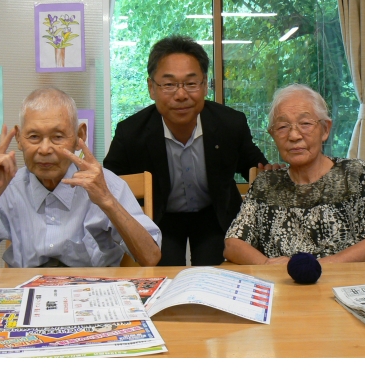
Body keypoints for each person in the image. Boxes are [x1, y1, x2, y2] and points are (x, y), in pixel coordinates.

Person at [0, 87, 162, 268]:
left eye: (57, 137)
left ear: (79, 136)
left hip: (93, 291)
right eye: (34, 137)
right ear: (19, 138)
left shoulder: (105, 184)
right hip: (26, 293)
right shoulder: (8, 188)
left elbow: (150, 257)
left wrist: (106, 200)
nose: (44, 149)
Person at [104, 35, 269, 266]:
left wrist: (272, 172)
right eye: (169, 84)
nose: (181, 95)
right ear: (152, 88)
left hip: (214, 214)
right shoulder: (131, 133)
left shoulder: (230, 124)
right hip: (161, 216)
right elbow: (110, 183)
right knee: (163, 271)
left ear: (205, 85)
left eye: (191, 83)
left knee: (214, 273)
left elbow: (253, 164)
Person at [224, 84, 365, 265]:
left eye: (305, 124)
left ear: (325, 129)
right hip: (283, 281)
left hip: (347, 279)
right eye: (282, 126)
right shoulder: (266, 184)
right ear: (272, 135)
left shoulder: (356, 174)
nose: (294, 135)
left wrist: (316, 267)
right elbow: (233, 244)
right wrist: (267, 264)